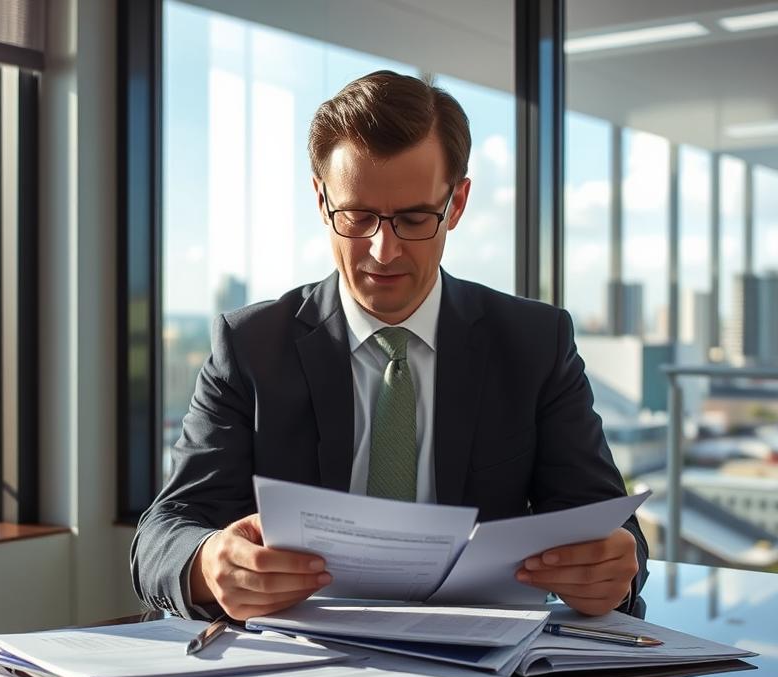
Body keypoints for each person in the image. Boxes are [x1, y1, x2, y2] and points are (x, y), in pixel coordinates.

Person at [131, 70, 648, 621]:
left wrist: (616, 566)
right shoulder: (250, 346)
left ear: (457, 203)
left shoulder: (534, 343)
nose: (383, 251)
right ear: (321, 199)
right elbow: (165, 532)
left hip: (484, 674)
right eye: (356, 217)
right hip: (297, 669)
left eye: (414, 218)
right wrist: (209, 561)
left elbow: (606, 525)